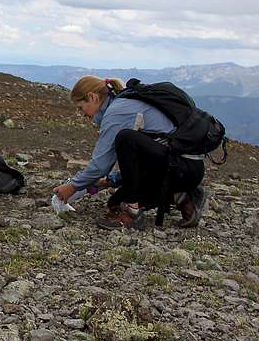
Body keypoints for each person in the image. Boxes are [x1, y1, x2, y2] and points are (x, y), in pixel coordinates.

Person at [52, 75, 208, 229]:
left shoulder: (116, 112)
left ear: (92, 97)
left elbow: (100, 166)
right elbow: (142, 159)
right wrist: (111, 181)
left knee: (126, 139)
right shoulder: (123, 103)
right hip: (182, 166)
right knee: (115, 203)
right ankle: (184, 196)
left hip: (182, 168)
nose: (82, 114)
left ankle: (133, 212)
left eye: (81, 107)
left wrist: (72, 186)